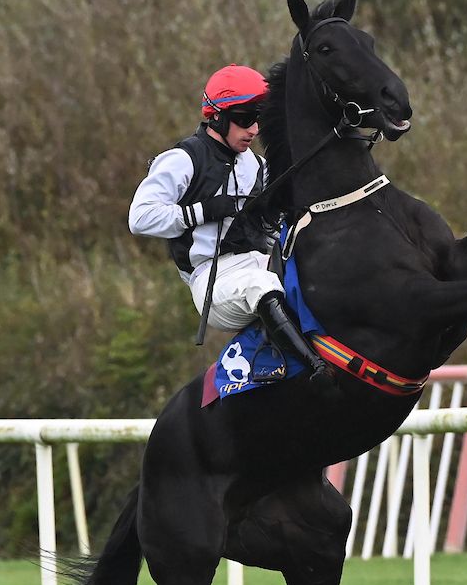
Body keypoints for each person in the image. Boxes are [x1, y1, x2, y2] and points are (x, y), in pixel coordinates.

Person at [128, 64, 331, 384]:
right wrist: (200, 212)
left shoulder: (257, 165)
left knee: (316, 271)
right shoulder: (182, 159)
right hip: (211, 277)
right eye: (245, 119)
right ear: (217, 117)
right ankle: (312, 369)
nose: (253, 129)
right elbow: (139, 218)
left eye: (258, 119)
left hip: (259, 261)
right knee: (260, 286)